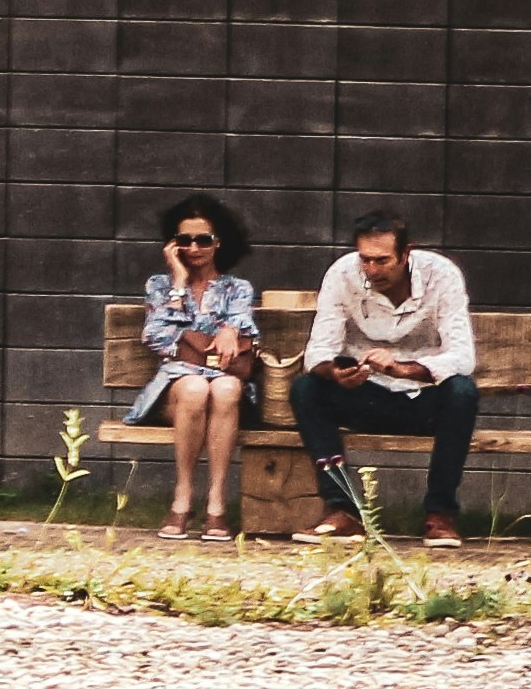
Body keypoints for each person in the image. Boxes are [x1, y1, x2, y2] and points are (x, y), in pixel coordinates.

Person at [293, 214, 477, 547]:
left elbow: (463, 358)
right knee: (306, 389)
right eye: (365, 259)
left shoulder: (442, 275)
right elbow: (317, 352)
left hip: (422, 398)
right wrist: (334, 372)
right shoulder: (342, 274)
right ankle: (343, 510)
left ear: (407, 254)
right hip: (366, 394)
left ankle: (440, 515)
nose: (373, 269)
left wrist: (404, 368)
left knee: (463, 391)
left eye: (383, 260)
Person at [133, 195, 260, 542]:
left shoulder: (238, 288)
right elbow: (156, 336)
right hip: (176, 388)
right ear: (173, 245)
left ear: (218, 243)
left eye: (203, 239)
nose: (194, 247)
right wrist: (178, 282)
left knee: (225, 388)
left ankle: (216, 504)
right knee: (193, 387)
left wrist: (230, 329)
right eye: (184, 240)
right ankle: (183, 497)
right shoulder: (159, 285)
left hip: (222, 387)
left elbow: (244, 333)